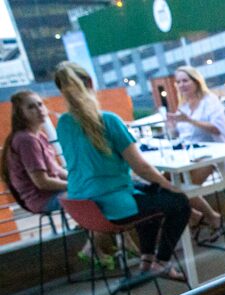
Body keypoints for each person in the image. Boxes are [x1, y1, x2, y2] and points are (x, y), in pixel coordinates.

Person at [54, 61, 190, 280]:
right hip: (111, 206)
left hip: (84, 205)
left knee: (149, 195)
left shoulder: (64, 123)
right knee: (179, 202)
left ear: (62, 90)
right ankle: (162, 263)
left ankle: (146, 262)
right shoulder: (108, 120)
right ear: (90, 83)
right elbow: (142, 167)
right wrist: (169, 185)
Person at [0, 89, 117, 268]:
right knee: (97, 197)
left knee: (98, 188)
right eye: (31, 107)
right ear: (21, 114)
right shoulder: (26, 140)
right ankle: (94, 248)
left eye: (40, 104)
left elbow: (57, 170)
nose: (39, 109)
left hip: (52, 193)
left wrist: (83, 180)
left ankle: (104, 247)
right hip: (41, 199)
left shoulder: (39, 136)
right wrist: (76, 185)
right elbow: (42, 182)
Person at [165, 66, 225, 240]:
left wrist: (189, 120)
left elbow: (217, 129)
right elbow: (181, 134)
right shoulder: (183, 105)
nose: (181, 85)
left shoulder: (210, 101)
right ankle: (196, 216)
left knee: (181, 191)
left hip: (211, 155)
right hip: (187, 155)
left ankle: (204, 217)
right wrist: (172, 128)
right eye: (178, 82)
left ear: (196, 81)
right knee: (163, 183)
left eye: (185, 80)